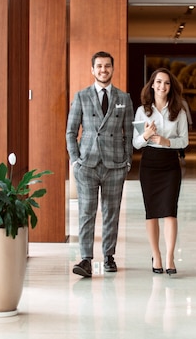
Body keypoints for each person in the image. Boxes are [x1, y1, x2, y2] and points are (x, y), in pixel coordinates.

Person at [66, 51, 134, 278]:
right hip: (87, 164)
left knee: (111, 212)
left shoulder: (123, 98)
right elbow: (71, 131)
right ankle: (85, 258)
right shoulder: (81, 96)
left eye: (107, 66)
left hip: (115, 165)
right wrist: (75, 160)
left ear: (112, 69)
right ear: (92, 70)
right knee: (86, 212)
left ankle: (109, 256)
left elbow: (129, 131)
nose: (103, 70)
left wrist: (127, 161)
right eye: (99, 66)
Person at [133, 68, 189, 275]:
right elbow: (136, 144)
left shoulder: (179, 111)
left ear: (170, 87)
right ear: (152, 85)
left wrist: (167, 141)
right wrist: (146, 135)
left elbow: (184, 140)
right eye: (158, 82)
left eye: (166, 83)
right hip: (149, 164)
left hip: (170, 164)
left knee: (169, 211)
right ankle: (156, 255)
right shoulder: (142, 111)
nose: (162, 86)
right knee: (152, 212)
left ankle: (170, 257)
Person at [178, 97, 193, 164]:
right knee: (180, 140)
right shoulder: (183, 102)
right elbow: (187, 112)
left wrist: (190, 123)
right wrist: (190, 123)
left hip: (179, 123)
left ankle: (181, 155)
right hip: (181, 123)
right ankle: (181, 156)